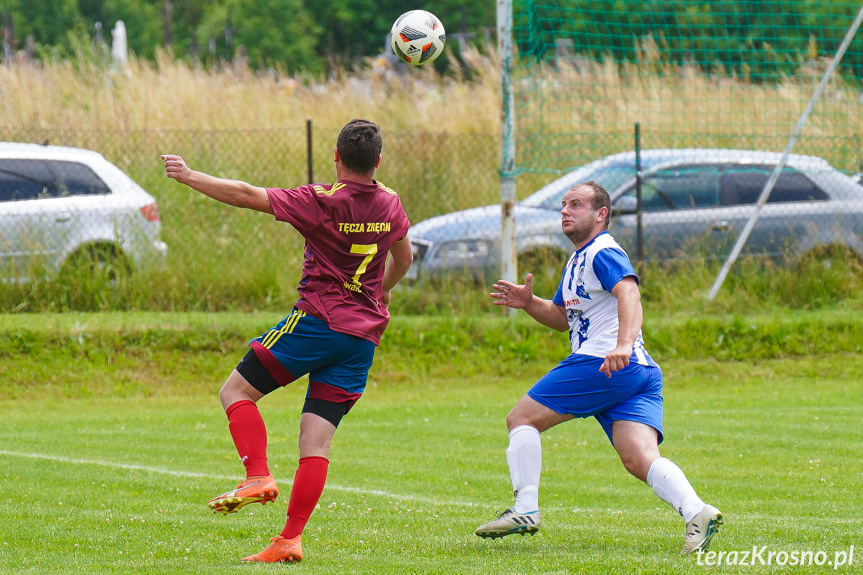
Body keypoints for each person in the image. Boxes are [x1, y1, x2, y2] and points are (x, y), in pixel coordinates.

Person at [161, 119, 413, 564]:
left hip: (318, 324)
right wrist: (382, 290)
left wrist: (190, 175)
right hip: (363, 337)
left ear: (336, 158)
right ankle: (289, 540)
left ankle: (256, 476)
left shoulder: (320, 200)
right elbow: (405, 256)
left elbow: (245, 194)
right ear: (377, 162)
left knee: (235, 392)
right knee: (315, 444)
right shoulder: (391, 203)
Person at [474, 180, 722, 555]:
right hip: (636, 371)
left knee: (521, 419)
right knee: (639, 458)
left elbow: (630, 293)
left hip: (604, 361)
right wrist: (530, 302)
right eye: (563, 205)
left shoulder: (602, 251)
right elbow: (562, 317)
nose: (565, 211)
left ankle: (525, 508)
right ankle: (697, 512)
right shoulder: (578, 259)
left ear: (600, 214)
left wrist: (622, 343)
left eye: (575, 204)